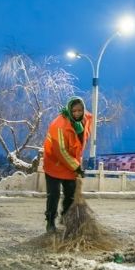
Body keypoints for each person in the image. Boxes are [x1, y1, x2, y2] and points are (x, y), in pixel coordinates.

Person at [42, 96, 92, 232]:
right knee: (54, 194)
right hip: (54, 163)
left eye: (80, 111)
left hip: (70, 163)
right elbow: (61, 151)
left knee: (70, 193)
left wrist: (77, 163)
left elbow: (79, 143)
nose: (77, 114)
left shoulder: (85, 120)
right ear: (69, 110)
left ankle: (65, 217)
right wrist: (76, 166)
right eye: (74, 111)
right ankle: (50, 221)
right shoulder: (58, 125)